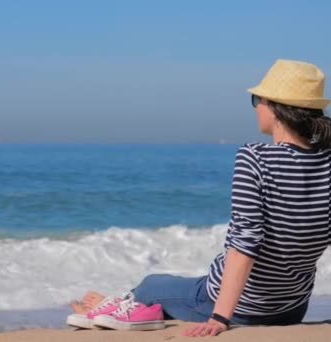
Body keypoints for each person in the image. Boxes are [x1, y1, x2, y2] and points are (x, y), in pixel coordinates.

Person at [70, 59, 331, 337]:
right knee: (181, 285)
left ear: (276, 108)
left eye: (258, 100)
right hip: (292, 308)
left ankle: (122, 306)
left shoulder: (255, 157)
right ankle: (124, 304)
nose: (257, 108)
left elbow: (246, 241)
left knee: (152, 284)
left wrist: (220, 317)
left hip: (239, 306)